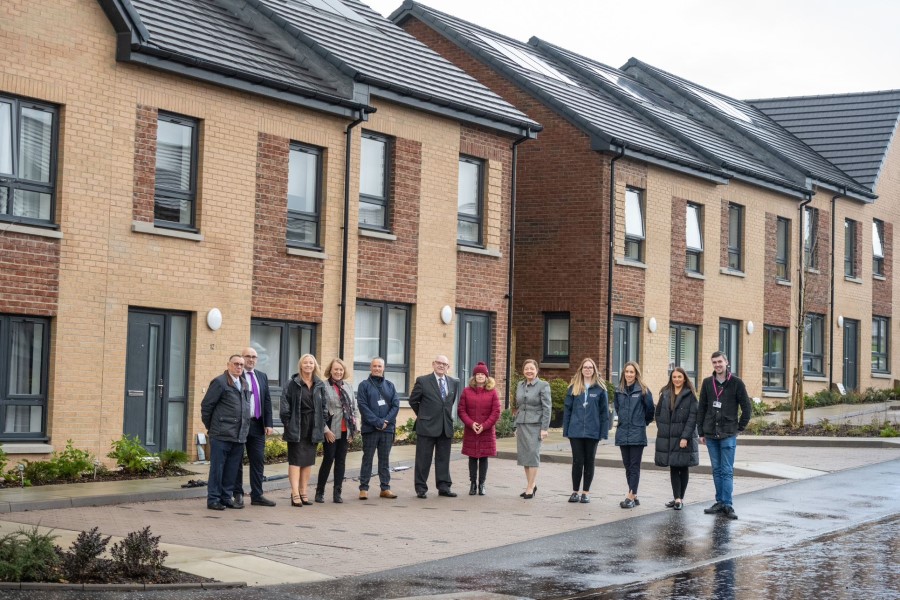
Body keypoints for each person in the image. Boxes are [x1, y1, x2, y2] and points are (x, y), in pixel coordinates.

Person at [698, 351, 752, 520]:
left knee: (727, 470)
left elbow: (747, 408)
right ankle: (719, 502)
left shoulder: (736, 383)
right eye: (714, 362)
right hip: (711, 434)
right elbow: (702, 408)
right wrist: (701, 431)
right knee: (716, 469)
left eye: (720, 361)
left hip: (728, 433)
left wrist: (740, 428)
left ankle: (727, 504)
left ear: (726, 362)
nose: (717, 365)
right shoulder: (708, 383)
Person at [200, 354, 251, 511]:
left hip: (239, 435)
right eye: (236, 364)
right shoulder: (220, 382)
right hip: (221, 435)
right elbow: (206, 407)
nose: (239, 367)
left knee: (232, 469)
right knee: (218, 468)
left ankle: (226, 497)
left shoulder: (243, 383)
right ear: (228, 365)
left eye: (241, 365)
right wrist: (213, 427)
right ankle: (213, 499)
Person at [408, 354, 459, 499]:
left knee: (443, 459)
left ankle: (444, 487)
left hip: (445, 427)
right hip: (426, 426)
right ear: (433, 364)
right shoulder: (423, 381)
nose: (441, 365)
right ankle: (421, 488)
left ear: (448, 367)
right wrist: (423, 415)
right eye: (439, 363)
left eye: (444, 364)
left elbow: (449, 403)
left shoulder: (453, 383)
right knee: (423, 459)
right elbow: (413, 401)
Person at [280, 353, 328, 507]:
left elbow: (324, 406)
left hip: (313, 427)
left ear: (315, 366)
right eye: (306, 363)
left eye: (311, 363)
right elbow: (284, 405)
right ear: (301, 365)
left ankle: (303, 491)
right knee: (295, 460)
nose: (308, 365)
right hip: (296, 425)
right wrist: (288, 423)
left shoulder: (319, 384)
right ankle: (294, 492)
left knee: (308, 461)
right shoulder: (292, 383)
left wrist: (322, 421)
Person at [562, 357, 609, 504]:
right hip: (575, 431)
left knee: (589, 461)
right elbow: (567, 410)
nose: (587, 370)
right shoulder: (573, 387)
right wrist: (566, 430)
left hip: (592, 431)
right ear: (581, 370)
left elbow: (604, 413)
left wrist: (603, 432)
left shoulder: (600, 389)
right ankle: (575, 491)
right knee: (577, 461)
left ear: (594, 370)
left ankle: (586, 492)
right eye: (585, 367)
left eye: (590, 367)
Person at [233, 347, 275, 508]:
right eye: (248, 356)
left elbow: (267, 401)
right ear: (242, 359)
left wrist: (269, 423)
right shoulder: (236, 376)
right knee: (237, 460)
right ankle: (237, 494)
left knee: (258, 460)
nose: (251, 360)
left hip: (257, 425)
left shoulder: (261, 376)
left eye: (254, 357)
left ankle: (257, 495)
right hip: (240, 425)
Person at [654, 367, 699, 510]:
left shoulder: (690, 395)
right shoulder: (666, 393)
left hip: (684, 437)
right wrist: (663, 429)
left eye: (680, 377)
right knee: (673, 467)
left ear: (684, 378)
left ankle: (681, 498)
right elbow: (658, 413)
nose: (677, 379)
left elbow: (693, 418)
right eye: (674, 377)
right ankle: (677, 498)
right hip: (669, 437)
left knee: (683, 467)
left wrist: (685, 437)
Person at [314, 358, 358, 504]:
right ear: (330, 370)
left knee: (341, 461)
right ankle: (319, 492)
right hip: (331, 429)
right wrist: (325, 430)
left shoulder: (348, 387)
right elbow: (319, 410)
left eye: (341, 369)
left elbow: (354, 409)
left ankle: (337, 492)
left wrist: (353, 430)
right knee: (328, 459)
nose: (338, 372)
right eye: (336, 369)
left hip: (346, 429)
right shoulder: (323, 386)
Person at [356, 357, 400, 499]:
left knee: (384, 459)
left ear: (383, 368)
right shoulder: (364, 385)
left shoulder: (390, 385)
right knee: (367, 458)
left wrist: (386, 421)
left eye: (379, 366)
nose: (377, 368)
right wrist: (377, 422)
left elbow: (395, 405)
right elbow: (362, 406)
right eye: (374, 366)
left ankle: (385, 488)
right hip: (370, 429)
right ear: (370, 367)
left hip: (387, 429)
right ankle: (364, 488)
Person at [614, 361, 654, 508]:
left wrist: (641, 423)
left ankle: (630, 496)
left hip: (637, 433)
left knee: (634, 465)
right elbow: (618, 409)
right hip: (623, 431)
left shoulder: (643, 390)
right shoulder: (619, 390)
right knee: (627, 465)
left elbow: (650, 411)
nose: (629, 375)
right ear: (624, 374)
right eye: (627, 372)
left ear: (636, 374)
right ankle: (634, 495)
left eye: (632, 372)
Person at [458, 362, 501, 496]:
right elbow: (461, 410)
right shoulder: (466, 391)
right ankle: (472, 484)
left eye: (483, 374)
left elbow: (496, 412)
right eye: (478, 374)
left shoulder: (492, 392)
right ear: (474, 376)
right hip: (471, 430)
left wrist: (484, 426)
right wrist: (471, 424)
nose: (480, 376)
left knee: (483, 458)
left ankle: (482, 484)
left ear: (487, 377)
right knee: (472, 458)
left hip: (486, 431)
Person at [514, 359, 551, 499]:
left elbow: (547, 407)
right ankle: (531, 484)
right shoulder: (520, 384)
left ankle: (530, 487)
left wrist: (544, 428)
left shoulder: (543, 385)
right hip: (522, 424)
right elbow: (519, 407)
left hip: (536, 425)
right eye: (526, 368)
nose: (529, 371)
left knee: (533, 455)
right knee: (525, 456)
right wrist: (515, 425)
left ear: (536, 370)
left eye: (532, 369)